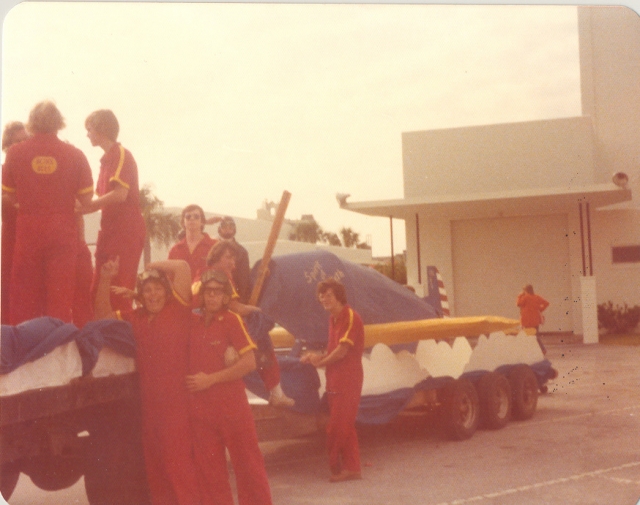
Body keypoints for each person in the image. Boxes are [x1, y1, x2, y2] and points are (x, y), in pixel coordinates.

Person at [94, 258, 201, 505]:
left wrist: (152, 266)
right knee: (156, 473)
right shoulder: (137, 317)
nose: (153, 295)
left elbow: (183, 267)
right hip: (150, 409)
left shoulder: (179, 310)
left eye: (158, 289)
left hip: (178, 408)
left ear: (167, 291)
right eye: (147, 290)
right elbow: (102, 316)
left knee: (180, 470)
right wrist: (105, 279)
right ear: (140, 296)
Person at [186, 269, 272, 505]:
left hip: (232, 407)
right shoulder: (190, 322)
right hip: (201, 411)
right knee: (209, 474)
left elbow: (249, 362)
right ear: (201, 295)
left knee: (248, 466)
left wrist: (210, 379)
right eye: (208, 292)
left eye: (218, 292)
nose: (212, 296)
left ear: (226, 297)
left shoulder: (233, 320)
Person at [2, 102, 93, 324]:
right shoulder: (75, 154)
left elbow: (9, 196)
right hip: (63, 232)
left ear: (32, 123)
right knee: (59, 300)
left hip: (28, 231)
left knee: (24, 298)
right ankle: (56, 350)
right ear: (59, 122)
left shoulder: (14, 153)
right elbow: (85, 199)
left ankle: (24, 352)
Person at [205, 241, 294, 408]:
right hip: (216, 325)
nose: (232, 263)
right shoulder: (215, 277)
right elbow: (236, 307)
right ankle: (275, 391)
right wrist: (257, 310)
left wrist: (262, 280)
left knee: (264, 341)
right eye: (228, 258)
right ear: (216, 257)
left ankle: (276, 391)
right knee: (264, 321)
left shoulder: (223, 276)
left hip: (222, 322)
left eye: (234, 259)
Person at [301, 278, 364, 482]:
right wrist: (316, 358)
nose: (324, 299)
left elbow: (343, 350)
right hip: (334, 379)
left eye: (329, 295)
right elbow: (332, 351)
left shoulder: (350, 316)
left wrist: (321, 363)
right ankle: (352, 468)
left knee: (338, 425)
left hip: (348, 379)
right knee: (345, 424)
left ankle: (339, 465)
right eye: (321, 296)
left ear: (339, 296)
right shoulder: (332, 319)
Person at [84, 109, 146, 313]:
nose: (87, 134)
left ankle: (122, 339)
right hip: (109, 232)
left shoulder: (120, 154)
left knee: (118, 289)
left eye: (90, 129)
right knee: (97, 290)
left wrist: (87, 207)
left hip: (124, 232)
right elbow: (99, 201)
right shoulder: (104, 161)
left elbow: (120, 194)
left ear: (101, 129)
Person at [1, 121, 29, 324]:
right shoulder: (3, 171)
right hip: (11, 237)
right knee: (9, 287)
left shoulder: (32, 171)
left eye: (23, 141)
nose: (20, 146)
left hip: (32, 237)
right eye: (15, 142)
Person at [168, 204, 217, 281]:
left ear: (202, 222)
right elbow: (170, 278)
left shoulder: (215, 246)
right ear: (183, 222)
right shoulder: (175, 250)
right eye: (188, 217)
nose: (192, 219)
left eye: (196, 216)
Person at [217, 216, 251, 303]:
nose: (228, 228)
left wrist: (241, 301)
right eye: (224, 225)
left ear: (234, 229)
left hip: (232, 297)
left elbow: (244, 280)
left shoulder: (242, 252)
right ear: (219, 229)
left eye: (231, 226)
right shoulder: (210, 248)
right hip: (212, 294)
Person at [517, 284, 550, 354]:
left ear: (526, 290)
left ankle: (528, 351)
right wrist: (540, 309)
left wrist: (519, 296)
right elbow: (546, 303)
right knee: (535, 335)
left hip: (526, 320)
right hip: (535, 319)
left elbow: (518, 304)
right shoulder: (536, 297)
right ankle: (542, 349)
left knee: (526, 335)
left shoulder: (525, 297)